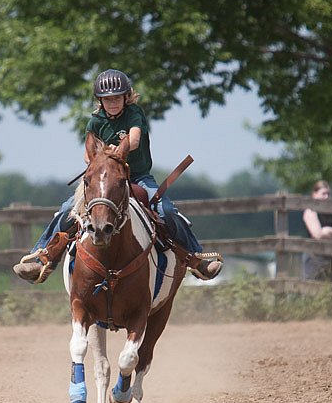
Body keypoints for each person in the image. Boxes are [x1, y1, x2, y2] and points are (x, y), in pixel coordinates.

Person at [14, 69, 223, 283]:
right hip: (105, 179)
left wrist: (118, 149)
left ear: (126, 97)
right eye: (107, 100)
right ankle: (41, 258)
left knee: (166, 210)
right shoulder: (95, 122)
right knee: (68, 210)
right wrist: (102, 158)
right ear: (100, 101)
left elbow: (133, 141)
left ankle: (195, 258)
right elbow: (88, 155)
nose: (112, 103)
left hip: (138, 177)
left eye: (116, 98)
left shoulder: (134, 114)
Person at [302, 180, 332, 282]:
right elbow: (317, 234)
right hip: (315, 257)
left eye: (328, 194)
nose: (326, 197)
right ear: (314, 194)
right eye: (323, 194)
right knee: (312, 289)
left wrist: (328, 231)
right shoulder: (310, 211)